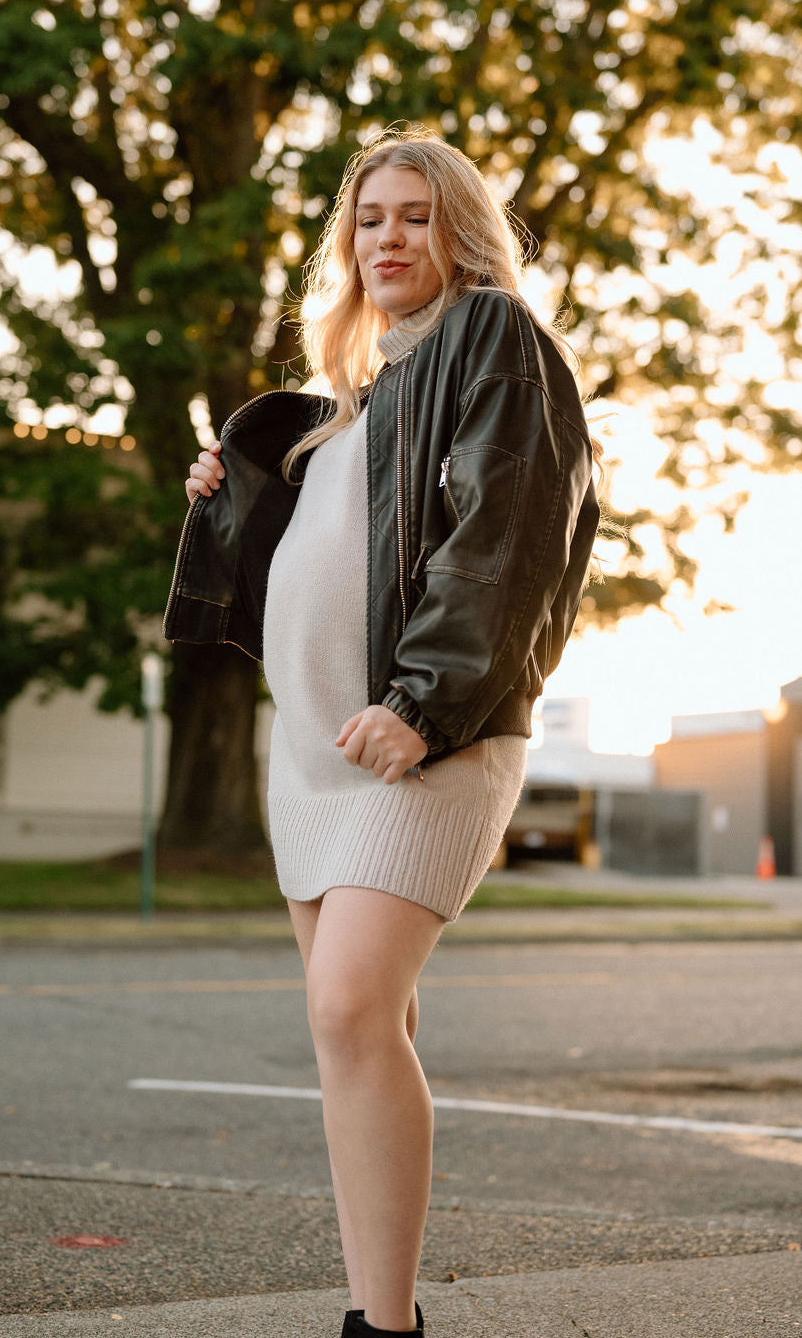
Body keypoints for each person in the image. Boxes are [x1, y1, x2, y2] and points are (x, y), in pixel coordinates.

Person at [165, 128, 600, 1336]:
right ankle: (377, 1305)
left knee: (350, 1010)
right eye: (369, 220)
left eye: (416, 215)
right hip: (312, 748)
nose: (389, 238)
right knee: (360, 1026)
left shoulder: (492, 340)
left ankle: (384, 1330)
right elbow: (310, 572)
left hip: (425, 731)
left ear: (460, 230)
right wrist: (231, 496)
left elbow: (504, 534)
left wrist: (425, 702)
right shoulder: (350, 401)